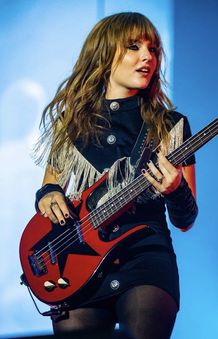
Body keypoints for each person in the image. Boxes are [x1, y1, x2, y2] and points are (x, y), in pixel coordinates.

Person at [34, 12, 198, 339]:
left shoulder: (171, 126)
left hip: (146, 260)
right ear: (104, 53)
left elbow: (185, 219)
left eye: (153, 50)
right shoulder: (72, 123)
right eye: (134, 47)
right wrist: (48, 195)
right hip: (78, 264)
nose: (147, 58)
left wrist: (175, 189)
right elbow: (49, 189)